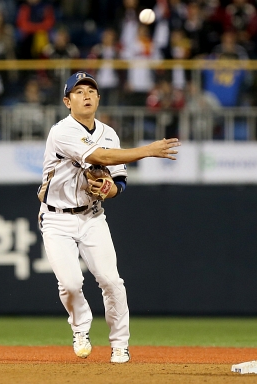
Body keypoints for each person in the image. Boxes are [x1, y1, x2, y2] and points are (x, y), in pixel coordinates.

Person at [37, 71, 180, 363]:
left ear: (99, 98)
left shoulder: (109, 133)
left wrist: (109, 188)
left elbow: (119, 182)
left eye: (91, 90)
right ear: (67, 101)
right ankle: (80, 329)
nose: (86, 95)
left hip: (91, 216)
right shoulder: (61, 131)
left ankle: (120, 345)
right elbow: (100, 158)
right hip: (56, 218)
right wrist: (148, 150)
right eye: (78, 91)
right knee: (71, 283)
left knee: (111, 281)